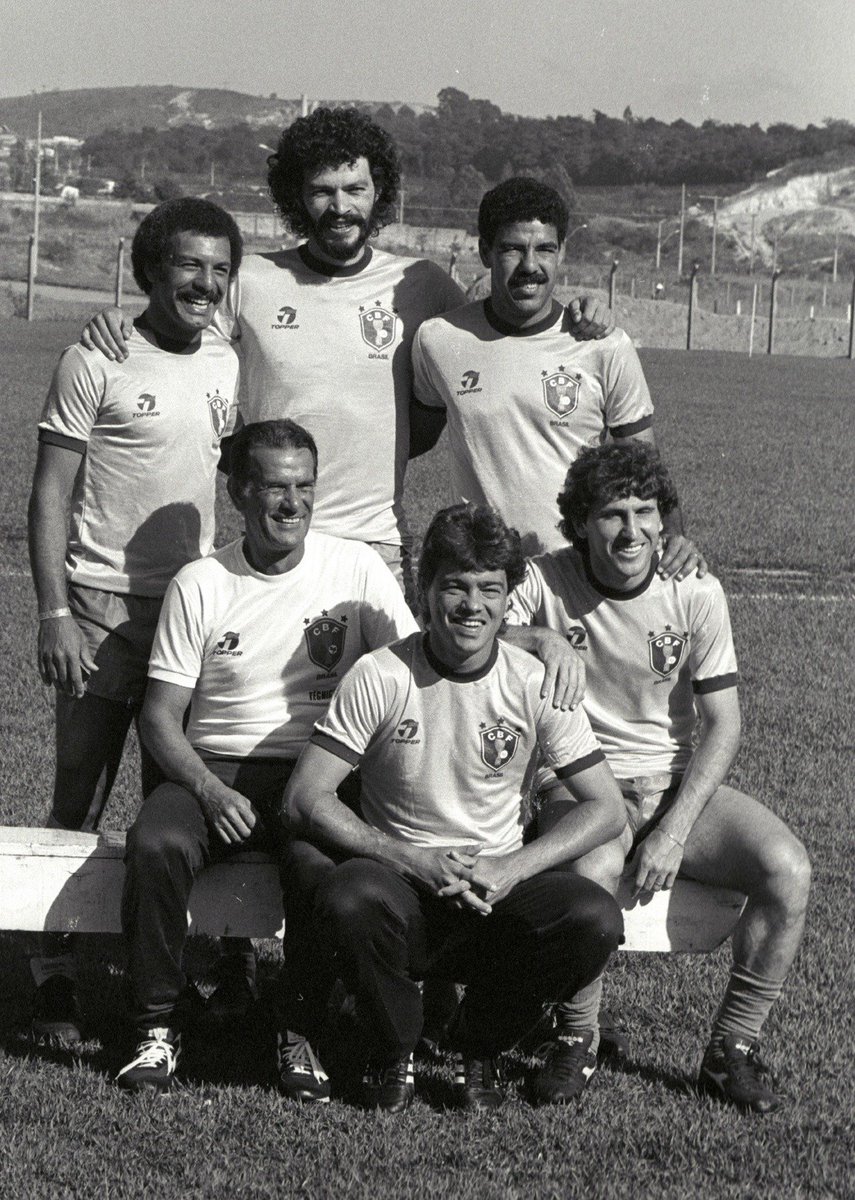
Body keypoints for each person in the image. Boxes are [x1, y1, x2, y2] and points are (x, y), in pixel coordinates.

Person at [79, 110, 612, 599]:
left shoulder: (420, 284)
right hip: (273, 542)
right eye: (322, 191)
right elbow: (180, 337)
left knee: (380, 701)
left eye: (356, 188)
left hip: (377, 547)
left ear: (379, 192)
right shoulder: (252, 281)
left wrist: (580, 313)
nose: (341, 207)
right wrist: (124, 320)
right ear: (295, 195)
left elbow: (502, 333)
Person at [280, 503, 626, 1112]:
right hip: (404, 889)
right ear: (426, 590)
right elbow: (305, 797)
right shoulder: (380, 674)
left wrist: (511, 869)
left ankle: (480, 1047)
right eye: (456, 586)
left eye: (490, 589)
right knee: (347, 896)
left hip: (493, 887)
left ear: (508, 595)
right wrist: (409, 857)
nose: (473, 606)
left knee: (592, 917)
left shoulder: (532, 679)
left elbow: (606, 809)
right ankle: (397, 1047)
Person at [504, 441, 811, 1112]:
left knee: (786, 868)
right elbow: (460, 626)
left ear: (664, 519)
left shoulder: (693, 589)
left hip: (670, 784)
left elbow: (722, 724)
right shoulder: (540, 580)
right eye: (611, 514)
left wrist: (673, 830)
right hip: (579, 786)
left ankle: (732, 1048)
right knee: (592, 873)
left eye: (645, 512)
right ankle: (577, 1037)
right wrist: (539, 639)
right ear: (578, 522)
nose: (631, 530)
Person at [116, 419, 418, 1095]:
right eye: (275, 488)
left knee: (317, 870)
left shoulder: (356, 568)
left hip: (316, 773)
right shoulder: (202, 580)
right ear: (239, 493)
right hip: (213, 771)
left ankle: (298, 1027)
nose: (292, 505)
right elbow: (160, 717)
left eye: (304, 487)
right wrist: (206, 789)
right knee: (156, 842)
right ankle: (155, 1026)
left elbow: (417, 666)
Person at [27, 197, 243, 1044]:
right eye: (190, 264)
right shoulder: (97, 356)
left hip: (196, 605)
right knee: (77, 793)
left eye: (221, 268)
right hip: (101, 605)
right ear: (151, 267)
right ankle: (49, 967)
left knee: (176, 801)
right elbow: (50, 493)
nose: (206, 283)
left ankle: (188, 962)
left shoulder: (229, 359)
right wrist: (55, 611)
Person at [411, 177, 702, 576]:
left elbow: (643, 463)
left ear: (562, 252)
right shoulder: (439, 340)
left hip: (581, 572)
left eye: (545, 249)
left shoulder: (604, 345)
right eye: (513, 248)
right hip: (488, 571)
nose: (531, 266)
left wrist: (675, 538)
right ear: (484, 251)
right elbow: (413, 435)